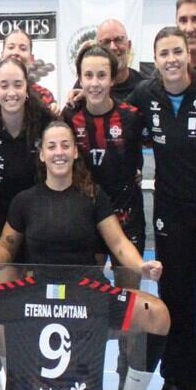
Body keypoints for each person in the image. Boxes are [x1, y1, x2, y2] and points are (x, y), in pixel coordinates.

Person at [0, 121, 168, 390]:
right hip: (40, 301)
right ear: (41, 155)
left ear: (75, 152)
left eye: (65, 145)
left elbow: (119, 244)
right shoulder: (25, 201)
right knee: (1, 303)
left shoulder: (94, 197)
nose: (59, 152)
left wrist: (142, 266)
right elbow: (6, 247)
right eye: (51, 146)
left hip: (86, 296)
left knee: (157, 315)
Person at [132, 26, 196, 390]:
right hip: (171, 211)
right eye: (164, 54)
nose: (171, 59)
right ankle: (176, 379)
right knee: (175, 296)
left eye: (177, 51)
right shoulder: (148, 95)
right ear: (155, 60)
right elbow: (115, 104)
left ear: (189, 54)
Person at [0, 56, 51, 390]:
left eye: (17, 84)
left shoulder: (46, 122)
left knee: (33, 303)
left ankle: (36, 375)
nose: (11, 91)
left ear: (28, 87)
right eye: (4, 85)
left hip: (37, 226)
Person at [62, 44, 145, 252]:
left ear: (112, 79)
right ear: (80, 80)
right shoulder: (70, 116)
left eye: (102, 75)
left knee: (129, 280)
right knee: (88, 283)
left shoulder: (131, 117)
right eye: (88, 76)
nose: (95, 83)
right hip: (86, 211)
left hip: (127, 211)